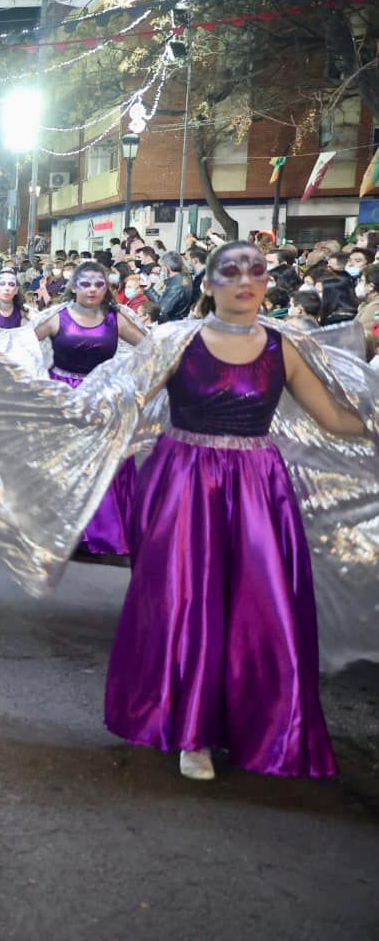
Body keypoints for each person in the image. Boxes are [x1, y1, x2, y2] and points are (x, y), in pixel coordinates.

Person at [105, 241, 367, 779]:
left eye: (257, 271)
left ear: (266, 283)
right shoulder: (176, 342)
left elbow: (334, 419)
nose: (245, 280)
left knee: (260, 607)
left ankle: (266, 728)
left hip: (258, 491)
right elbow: (125, 405)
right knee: (188, 603)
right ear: (208, 283)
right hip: (183, 486)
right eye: (231, 271)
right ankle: (191, 734)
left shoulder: (282, 346)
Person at [33, 260, 145, 559]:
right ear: (74, 287)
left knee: (103, 463)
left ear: (106, 287)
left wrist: (128, 379)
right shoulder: (57, 317)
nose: (93, 289)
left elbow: (152, 346)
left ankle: (101, 533)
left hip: (102, 398)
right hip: (63, 398)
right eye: (85, 284)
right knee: (65, 461)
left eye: (98, 284)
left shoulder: (116, 318)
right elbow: (22, 344)